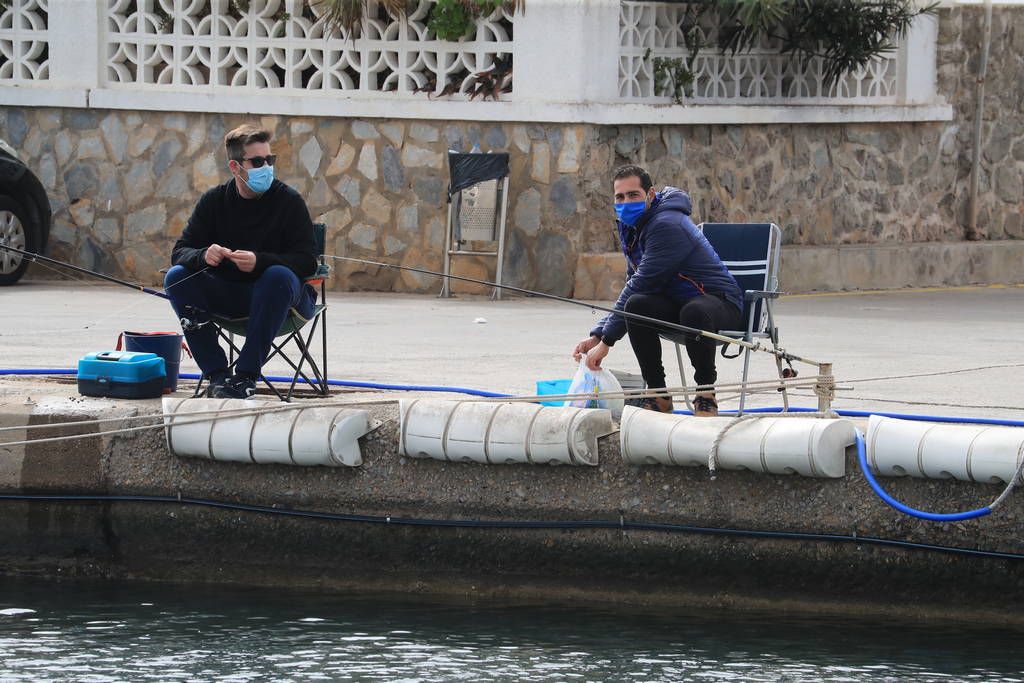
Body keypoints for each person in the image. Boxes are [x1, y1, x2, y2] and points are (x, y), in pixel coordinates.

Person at [572, 165, 743, 417]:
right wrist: (598, 333)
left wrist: (607, 342)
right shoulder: (631, 225)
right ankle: (658, 394)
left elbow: (643, 281)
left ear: (650, 195)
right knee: (637, 306)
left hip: (720, 305)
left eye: (633, 195)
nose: (625, 203)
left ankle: (706, 395)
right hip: (678, 305)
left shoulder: (667, 224)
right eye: (619, 197)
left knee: (694, 311)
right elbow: (634, 286)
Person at [165, 124, 317, 399]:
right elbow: (180, 251)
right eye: (257, 161)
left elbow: (307, 262)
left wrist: (261, 261)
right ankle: (217, 375)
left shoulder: (289, 201)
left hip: (285, 301)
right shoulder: (214, 201)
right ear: (235, 167)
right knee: (176, 276)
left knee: (276, 276)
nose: (266, 167)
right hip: (231, 297)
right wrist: (203, 255)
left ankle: (246, 376)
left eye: (270, 160)